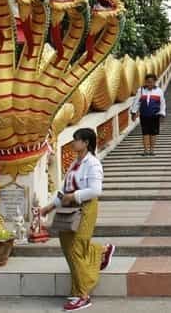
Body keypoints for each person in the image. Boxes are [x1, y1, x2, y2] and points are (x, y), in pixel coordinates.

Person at [41, 128, 114, 311]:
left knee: (76, 248)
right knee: (67, 247)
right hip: (69, 209)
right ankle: (101, 251)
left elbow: (95, 190)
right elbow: (64, 190)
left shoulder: (93, 164)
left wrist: (74, 196)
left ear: (86, 143)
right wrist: (49, 207)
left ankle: (83, 295)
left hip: (85, 208)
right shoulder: (75, 163)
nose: (73, 143)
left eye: (76, 140)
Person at [130, 73, 166, 156]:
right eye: (148, 82)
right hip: (144, 115)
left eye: (151, 82)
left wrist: (162, 114)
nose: (149, 84)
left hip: (155, 115)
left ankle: (152, 150)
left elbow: (162, 103)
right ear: (145, 82)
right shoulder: (141, 90)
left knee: (153, 133)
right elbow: (136, 102)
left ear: (155, 82)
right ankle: (146, 150)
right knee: (145, 133)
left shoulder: (159, 91)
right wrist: (133, 113)